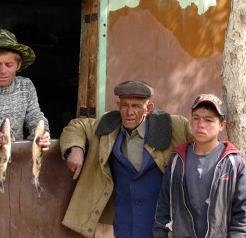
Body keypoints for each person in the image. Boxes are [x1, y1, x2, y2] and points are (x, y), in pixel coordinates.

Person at [60, 80, 194, 237]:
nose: (129, 112)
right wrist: (76, 148)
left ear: (148, 108)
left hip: (160, 222)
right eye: (124, 105)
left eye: (136, 106)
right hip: (123, 223)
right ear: (118, 105)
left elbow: (202, 146)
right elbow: (77, 125)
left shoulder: (174, 126)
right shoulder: (109, 126)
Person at [153, 94, 246, 238]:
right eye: (196, 118)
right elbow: (164, 206)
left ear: (222, 125)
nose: (200, 124)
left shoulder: (232, 164)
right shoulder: (177, 160)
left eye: (208, 120)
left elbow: (242, 216)